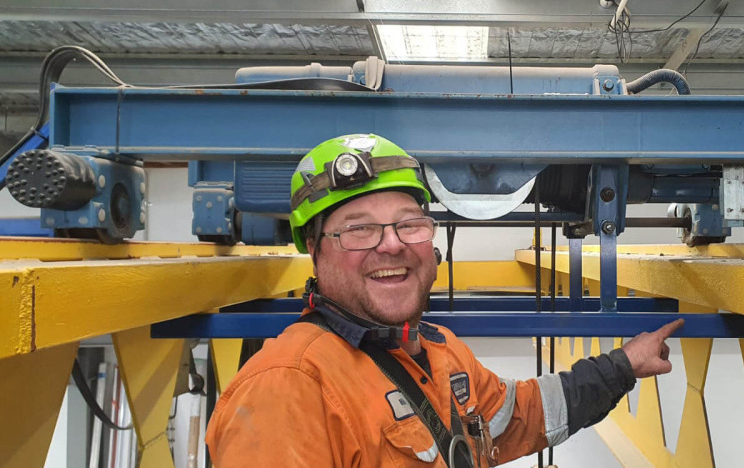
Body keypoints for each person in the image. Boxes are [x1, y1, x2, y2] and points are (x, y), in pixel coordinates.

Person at [206, 134, 685, 467]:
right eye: (359, 229)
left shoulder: (441, 352)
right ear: (314, 249)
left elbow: (521, 416)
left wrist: (625, 364)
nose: (390, 244)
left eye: (408, 223)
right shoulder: (288, 390)